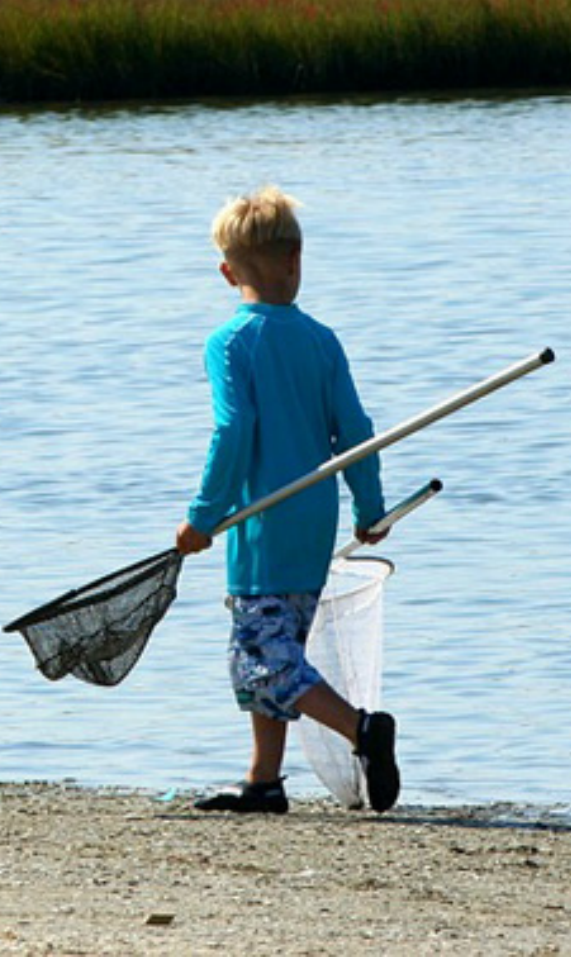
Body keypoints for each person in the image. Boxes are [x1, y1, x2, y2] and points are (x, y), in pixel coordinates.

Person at [176, 186, 400, 815]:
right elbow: (356, 431)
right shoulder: (321, 340)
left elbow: (233, 429)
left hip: (262, 528)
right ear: (297, 257)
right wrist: (369, 508)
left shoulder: (230, 342)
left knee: (264, 657)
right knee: (274, 649)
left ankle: (361, 730)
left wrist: (203, 516)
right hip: (313, 520)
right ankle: (264, 781)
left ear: (227, 272)